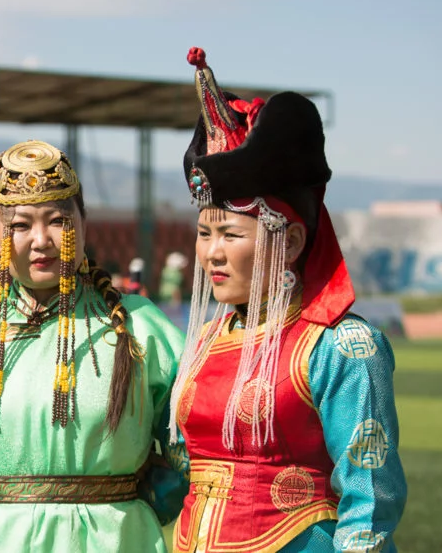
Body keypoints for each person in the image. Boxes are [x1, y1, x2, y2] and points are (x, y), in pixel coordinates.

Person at [168, 48, 407, 552]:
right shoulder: (206, 341)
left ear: (291, 243)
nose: (211, 253)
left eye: (230, 234)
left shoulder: (341, 348)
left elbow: (370, 500)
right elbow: (178, 474)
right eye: (204, 233)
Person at [0, 140, 187, 553]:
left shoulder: (141, 327)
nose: (41, 240)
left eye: (58, 221)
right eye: (19, 225)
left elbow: (198, 451)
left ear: (85, 223)